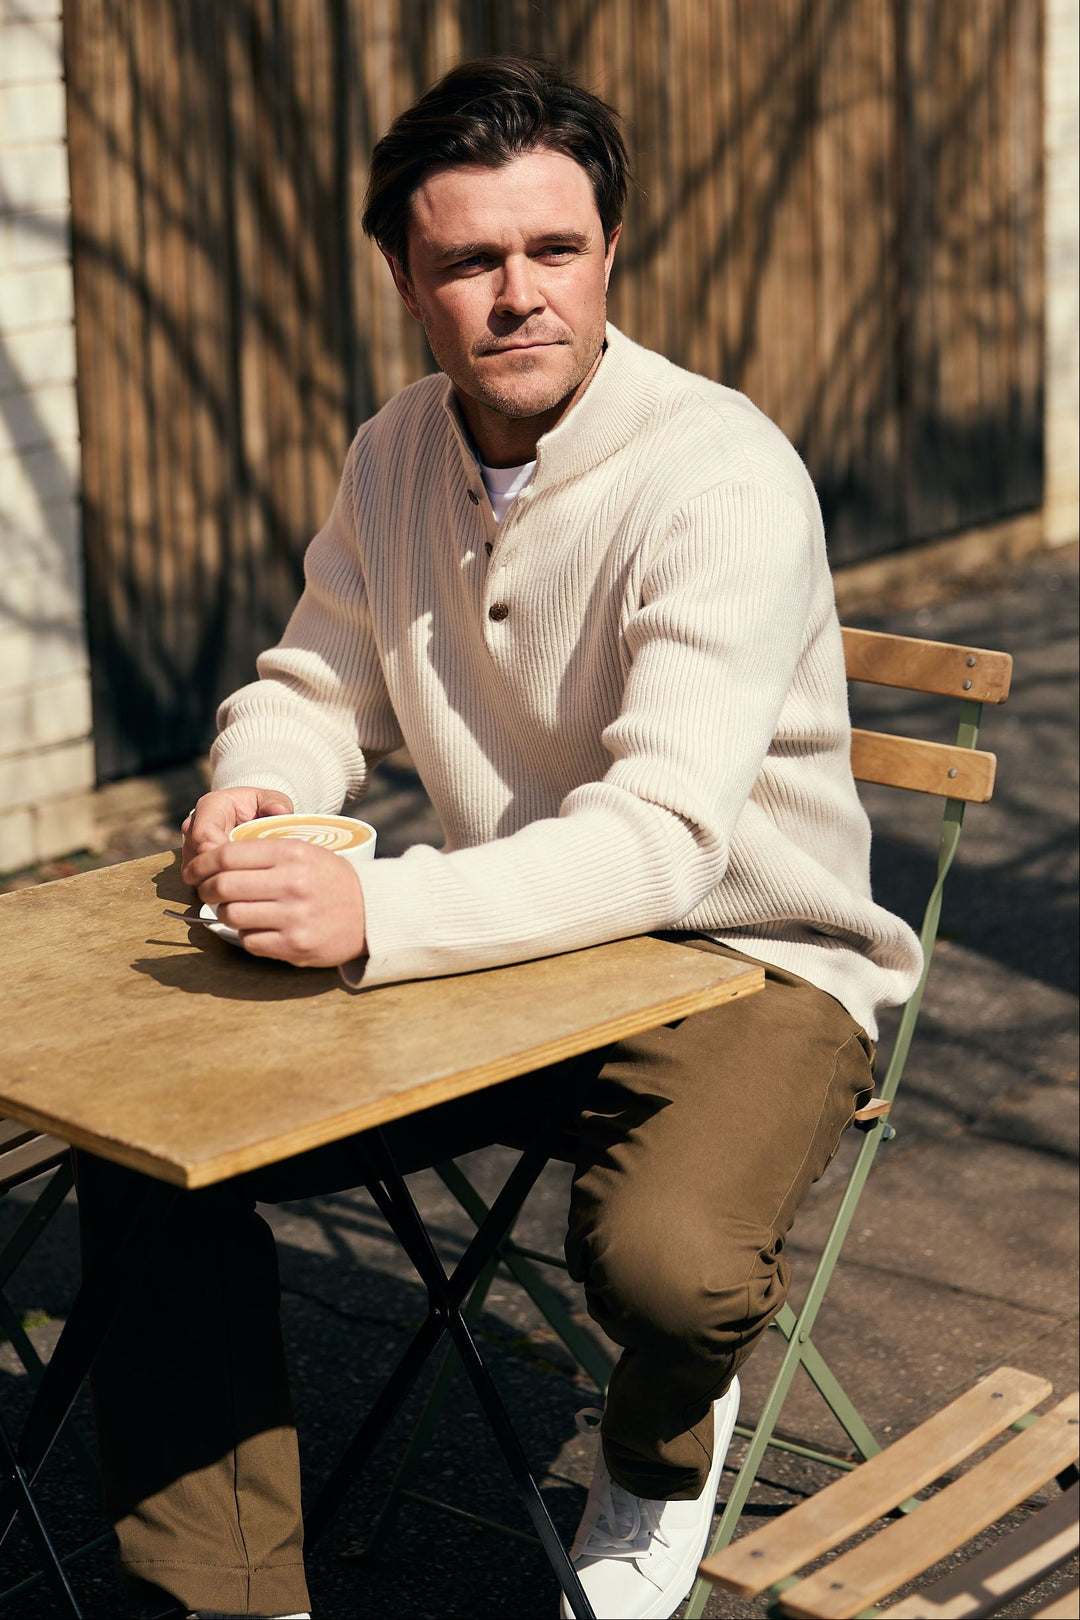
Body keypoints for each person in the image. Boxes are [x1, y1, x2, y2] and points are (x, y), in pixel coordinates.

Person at [79, 55, 922, 1620]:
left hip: (743, 952)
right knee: (149, 1153)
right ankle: (227, 1595)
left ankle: (660, 1458)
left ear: (610, 253)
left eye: (554, 250)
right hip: (507, 951)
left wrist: (378, 919)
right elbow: (316, 676)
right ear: (408, 280)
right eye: (470, 260)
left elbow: (667, 839)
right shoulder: (397, 446)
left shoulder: (719, 470)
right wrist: (258, 784)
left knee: (670, 1263)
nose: (517, 295)